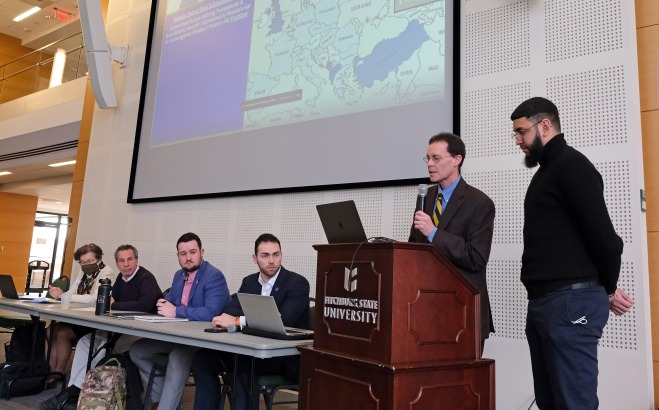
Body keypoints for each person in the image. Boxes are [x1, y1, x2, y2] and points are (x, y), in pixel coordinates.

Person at [510, 97, 635, 409]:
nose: (518, 141)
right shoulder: (546, 173)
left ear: (546, 126)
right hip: (546, 305)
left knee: (574, 403)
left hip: (569, 306)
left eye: (522, 132)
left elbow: (606, 239)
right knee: (551, 402)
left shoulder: (571, 166)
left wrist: (606, 287)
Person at [191, 233, 310, 410]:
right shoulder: (249, 282)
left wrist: (239, 320)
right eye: (265, 256)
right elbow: (231, 310)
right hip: (249, 350)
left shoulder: (297, 283)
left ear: (281, 255)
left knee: (243, 362)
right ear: (255, 258)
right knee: (201, 359)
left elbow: (281, 321)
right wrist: (235, 318)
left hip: (281, 357)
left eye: (276, 255)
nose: (271, 261)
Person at [40, 244, 162, 410]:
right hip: (118, 327)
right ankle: (73, 390)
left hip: (139, 332)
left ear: (136, 260)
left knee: (103, 348)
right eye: (122, 261)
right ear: (117, 263)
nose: (126, 264)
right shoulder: (120, 278)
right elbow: (110, 304)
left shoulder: (145, 278)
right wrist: (115, 305)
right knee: (85, 341)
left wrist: (117, 305)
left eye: (130, 259)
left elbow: (144, 305)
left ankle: (83, 392)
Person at [409, 132, 495, 348]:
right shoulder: (425, 197)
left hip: (461, 310)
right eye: (427, 159)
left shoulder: (479, 203)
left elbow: (476, 258)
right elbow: (414, 249)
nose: (430, 164)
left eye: (436, 158)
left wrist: (433, 232)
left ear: (457, 160)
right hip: (425, 307)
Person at [130, 232, 230, 410]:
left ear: (202, 252)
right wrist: (163, 304)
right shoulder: (179, 276)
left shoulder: (214, 276)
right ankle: (164, 400)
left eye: (192, 252)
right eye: (183, 254)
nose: (188, 258)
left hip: (203, 342)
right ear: (178, 256)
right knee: (137, 350)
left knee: (176, 357)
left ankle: (165, 406)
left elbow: (211, 312)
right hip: (178, 336)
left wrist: (175, 311)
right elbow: (172, 302)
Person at [46, 243, 115, 379]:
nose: (86, 265)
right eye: (82, 262)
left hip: (92, 319)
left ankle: (59, 372)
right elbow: (73, 289)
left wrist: (67, 296)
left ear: (99, 259)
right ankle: (50, 370)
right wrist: (62, 293)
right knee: (50, 330)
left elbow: (95, 298)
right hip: (77, 315)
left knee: (62, 334)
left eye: (90, 261)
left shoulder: (107, 272)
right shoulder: (83, 271)